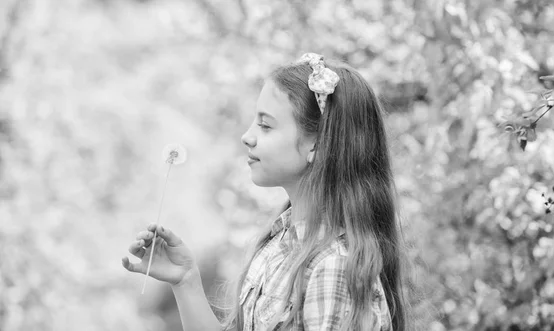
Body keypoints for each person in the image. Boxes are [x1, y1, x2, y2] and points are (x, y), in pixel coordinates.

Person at [122, 53, 415, 331]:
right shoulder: (279, 244)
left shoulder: (332, 268)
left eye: (265, 125)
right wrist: (186, 280)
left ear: (316, 144)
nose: (247, 136)